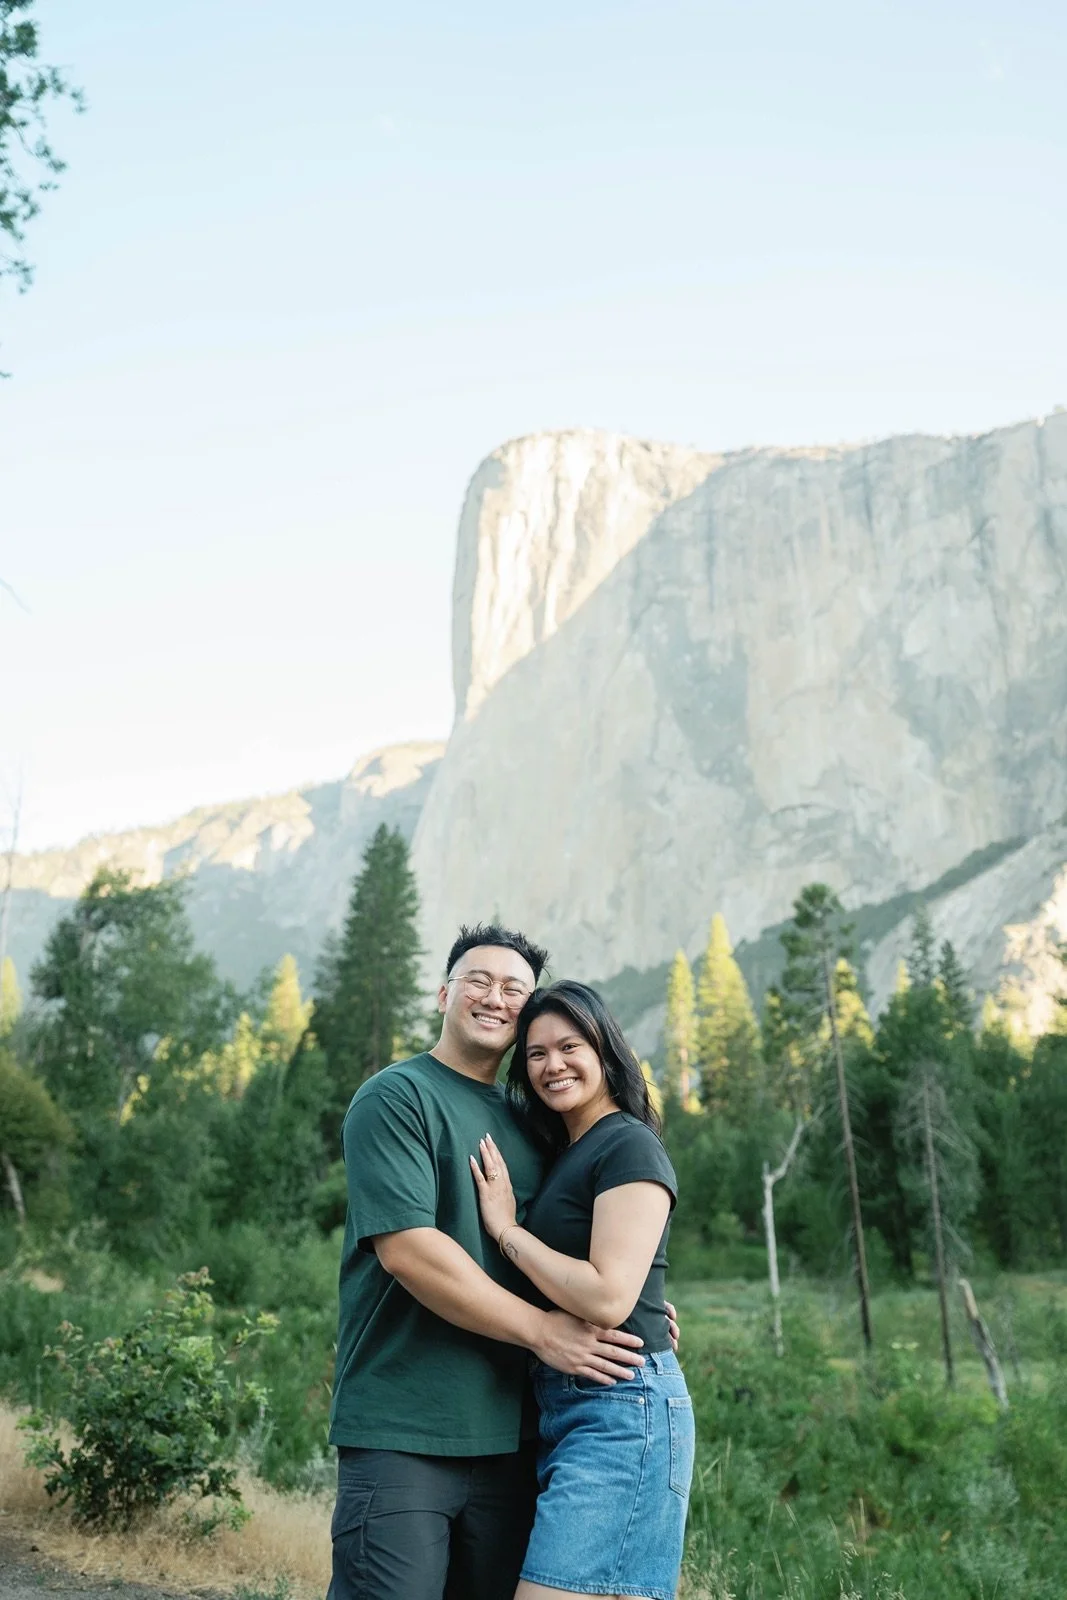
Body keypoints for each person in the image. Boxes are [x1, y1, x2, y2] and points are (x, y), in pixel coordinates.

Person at [327, 924, 669, 1600]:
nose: (494, 996)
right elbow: (409, 1253)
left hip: (520, 1437)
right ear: (444, 992)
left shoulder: (536, 1120)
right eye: (478, 980)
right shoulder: (397, 1097)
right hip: (407, 1424)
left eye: (514, 988)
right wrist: (545, 1332)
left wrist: (639, 1304)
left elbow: (580, 1247)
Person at [470, 980, 694, 1600]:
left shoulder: (627, 1143)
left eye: (569, 1046)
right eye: (536, 1054)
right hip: (572, 1402)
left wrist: (507, 1229)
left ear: (604, 1049)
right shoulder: (573, 1149)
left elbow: (605, 1298)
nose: (552, 1065)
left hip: (620, 1409)